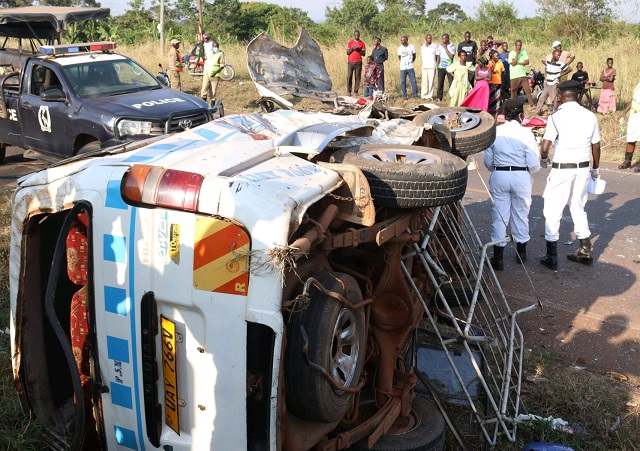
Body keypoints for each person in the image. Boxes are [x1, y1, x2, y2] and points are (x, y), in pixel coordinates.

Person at [539, 80, 601, 269]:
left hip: (562, 168)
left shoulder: (556, 117)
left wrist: (543, 157)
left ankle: (551, 256)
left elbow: (545, 146)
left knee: (553, 208)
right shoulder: (590, 116)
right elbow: (596, 146)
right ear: (578, 95)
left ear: (560, 96)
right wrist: (595, 168)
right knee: (578, 206)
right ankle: (585, 250)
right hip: (583, 168)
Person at [484, 98, 540, 270]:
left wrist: (498, 169)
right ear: (520, 115)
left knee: (499, 216)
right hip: (520, 175)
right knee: (521, 213)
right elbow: (534, 163)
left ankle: (498, 258)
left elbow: (488, 161)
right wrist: (525, 173)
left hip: (500, 174)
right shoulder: (527, 134)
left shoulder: (495, 132)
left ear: (504, 115)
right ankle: (521, 254)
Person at [533, 49, 572, 117]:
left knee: (554, 100)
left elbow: (569, 69)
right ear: (553, 55)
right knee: (541, 98)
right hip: (548, 84)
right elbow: (545, 65)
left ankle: (554, 113)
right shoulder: (548, 61)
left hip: (554, 84)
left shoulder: (560, 63)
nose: (558, 57)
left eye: (559, 55)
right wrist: (547, 73)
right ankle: (537, 112)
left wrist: (560, 75)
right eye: (557, 55)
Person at [618, 80, 640, 171]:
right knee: (631, 139)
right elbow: (633, 100)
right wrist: (625, 112)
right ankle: (627, 161)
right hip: (633, 117)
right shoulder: (638, 85)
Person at [509, 40, 534, 106]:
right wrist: (517, 54)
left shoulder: (524, 52)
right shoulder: (511, 53)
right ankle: (512, 105)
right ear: (515, 45)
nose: (519, 47)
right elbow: (513, 63)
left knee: (527, 90)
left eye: (520, 45)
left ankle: (531, 104)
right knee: (513, 91)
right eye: (517, 45)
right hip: (514, 75)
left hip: (522, 74)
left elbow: (527, 62)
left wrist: (519, 63)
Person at [201, 40, 224, 105]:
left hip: (215, 76)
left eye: (217, 46)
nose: (216, 48)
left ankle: (212, 105)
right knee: (204, 90)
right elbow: (205, 59)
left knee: (213, 92)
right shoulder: (209, 53)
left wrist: (215, 73)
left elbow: (222, 66)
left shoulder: (220, 54)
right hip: (207, 74)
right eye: (214, 46)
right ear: (212, 47)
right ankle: (204, 105)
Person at [436, 34, 456, 101]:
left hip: (450, 68)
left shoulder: (452, 46)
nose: (443, 40)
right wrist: (437, 65)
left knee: (451, 82)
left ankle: (452, 97)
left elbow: (451, 56)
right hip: (441, 67)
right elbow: (438, 56)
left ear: (447, 39)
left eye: (444, 39)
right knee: (440, 82)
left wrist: (445, 48)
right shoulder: (440, 46)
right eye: (442, 39)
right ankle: (439, 97)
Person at [346, 30, 366, 96]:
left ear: (359, 35)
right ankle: (349, 91)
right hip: (351, 62)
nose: (357, 36)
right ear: (354, 35)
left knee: (357, 77)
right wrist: (352, 48)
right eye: (356, 35)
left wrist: (358, 49)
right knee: (349, 76)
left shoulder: (362, 43)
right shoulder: (350, 42)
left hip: (358, 62)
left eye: (358, 35)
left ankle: (356, 91)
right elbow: (347, 52)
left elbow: (364, 53)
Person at [421, 33, 438, 100]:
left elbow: (437, 55)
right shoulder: (422, 46)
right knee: (424, 82)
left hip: (432, 66)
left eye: (430, 38)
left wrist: (436, 64)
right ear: (425, 39)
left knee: (431, 81)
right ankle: (424, 95)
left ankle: (429, 96)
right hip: (424, 66)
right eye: (428, 38)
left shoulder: (435, 46)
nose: (429, 39)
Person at [488, 50, 505, 115]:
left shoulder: (500, 64)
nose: (498, 57)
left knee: (497, 98)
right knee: (491, 98)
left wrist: (502, 83)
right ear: (492, 56)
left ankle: (497, 112)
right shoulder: (489, 64)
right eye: (496, 55)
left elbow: (503, 73)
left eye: (498, 56)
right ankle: (491, 111)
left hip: (498, 83)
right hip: (490, 83)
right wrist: (493, 65)